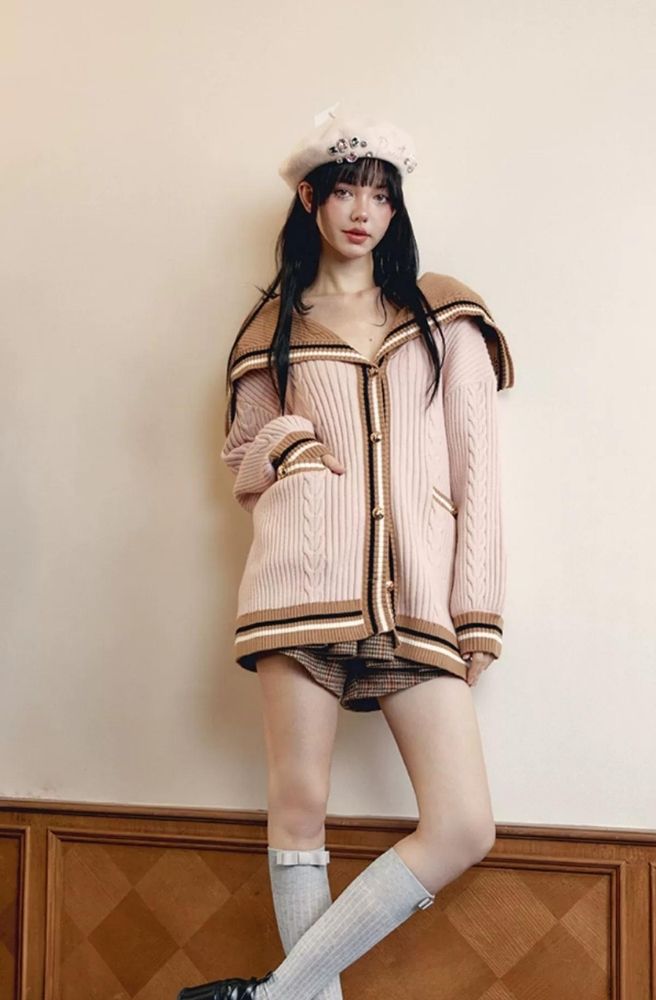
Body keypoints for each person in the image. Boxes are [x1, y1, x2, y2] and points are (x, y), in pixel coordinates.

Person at [177, 107, 515, 1000]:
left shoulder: (442, 312)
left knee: (463, 825)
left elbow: (477, 467)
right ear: (310, 199)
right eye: (345, 192)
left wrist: (477, 609)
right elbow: (240, 455)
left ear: (395, 209)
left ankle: (268, 999)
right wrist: (288, 445)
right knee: (299, 810)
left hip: (415, 599)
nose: (363, 212)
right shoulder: (271, 328)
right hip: (298, 585)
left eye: (381, 196)